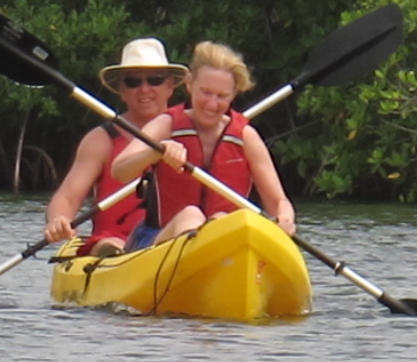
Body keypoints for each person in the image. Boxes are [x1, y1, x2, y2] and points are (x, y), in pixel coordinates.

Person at [109, 39, 297, 243]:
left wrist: (285, 218)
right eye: (206, 92)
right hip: (159, 240)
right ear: (190, 85)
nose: (212, 104)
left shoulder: (246, 137)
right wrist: (155, 152)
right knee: (191, 216)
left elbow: (278, 201)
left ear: (233, 95)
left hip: (224, 239)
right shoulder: (166, 125)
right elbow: (119, 171)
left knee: (222, 220)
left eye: (222, 96)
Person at [42, 38, 185, 254]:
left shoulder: (190, 132)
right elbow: (68, 197)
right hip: (116, 244)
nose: (144, 89)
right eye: (133, 82)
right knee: (110, 246)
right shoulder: (101, 140)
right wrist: (58, 220)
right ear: (121, 89)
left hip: (173, 240)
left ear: (170, 85)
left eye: (154, 80)